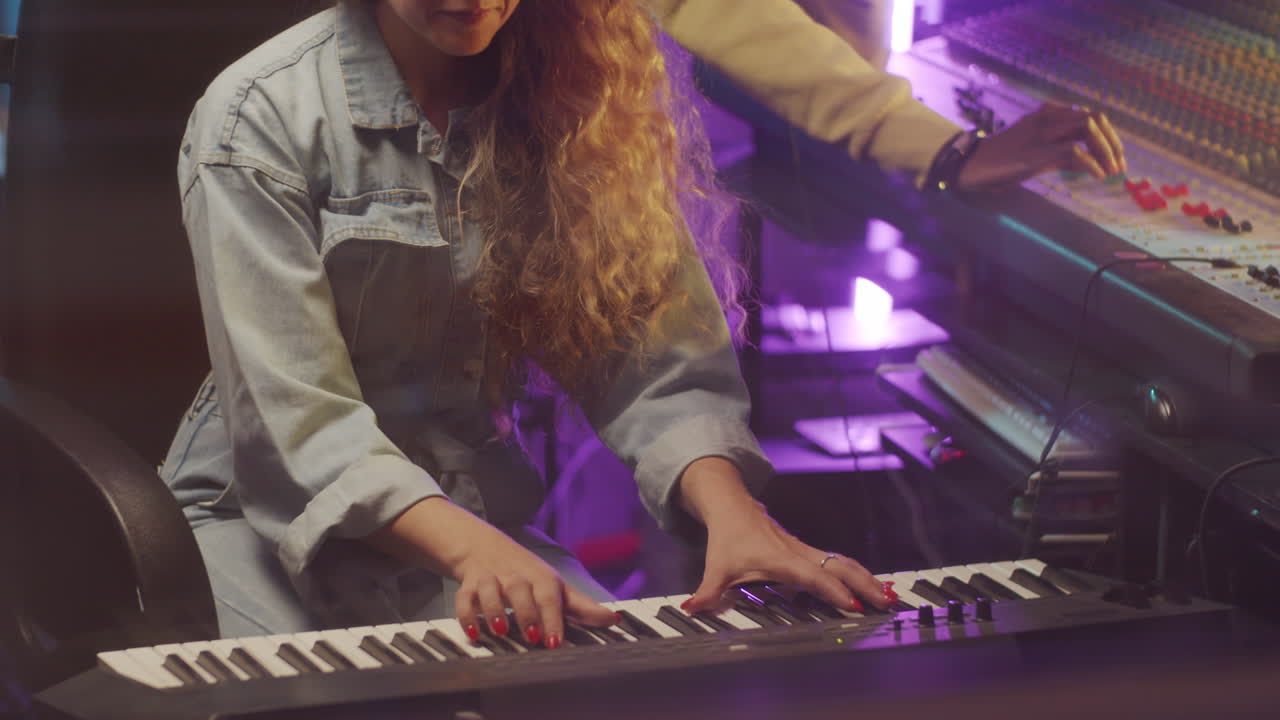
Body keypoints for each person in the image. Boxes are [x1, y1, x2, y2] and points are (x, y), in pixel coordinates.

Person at [163, 0, 1126, 650]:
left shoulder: (571, 98)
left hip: (477, 520)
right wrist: (475, 551)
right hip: (261, 521)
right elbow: (302, 429)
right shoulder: (254, 117)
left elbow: (652, 360)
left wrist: (734, 515)